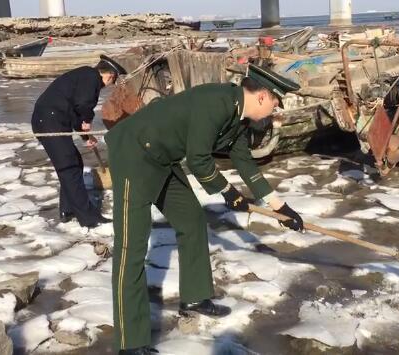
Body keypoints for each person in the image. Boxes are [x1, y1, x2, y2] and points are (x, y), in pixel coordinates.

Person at [105, 63, 305, 355]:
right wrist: (227, 192)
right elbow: (199, 160)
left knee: (191, 219)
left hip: (163, 159)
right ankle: (131, 343)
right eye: (275, 103)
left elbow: (246, 164)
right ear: (262, 96)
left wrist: (281, 208)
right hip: (135, 154)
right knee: (130, 250)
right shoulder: (216, 102)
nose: (274, 111)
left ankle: (195, 297)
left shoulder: (239, 118)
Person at [31, 55, 127, 228]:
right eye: (112, 81)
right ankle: (89, 218)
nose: (108, 85)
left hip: (49, 120)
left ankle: (68, 209)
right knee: (70, 168)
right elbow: (84, 106)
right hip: (49, 121)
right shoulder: (90, 77)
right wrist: (88, 119)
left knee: (74, 164)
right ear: (110, 75)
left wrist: (85, 136)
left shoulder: (83, 77)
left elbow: (76, 112)